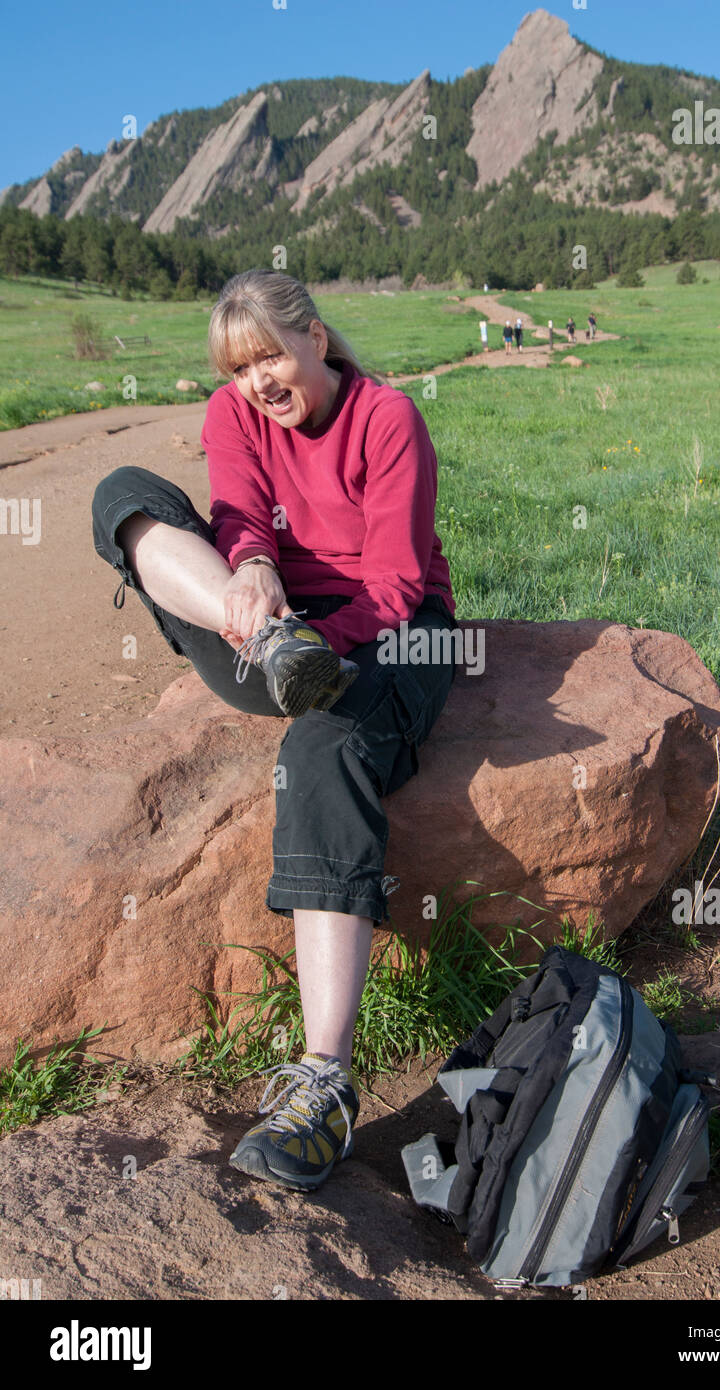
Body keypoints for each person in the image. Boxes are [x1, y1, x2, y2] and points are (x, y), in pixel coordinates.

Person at [91, 269, 458, 1193]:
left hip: (387, 632)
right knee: (124, 491)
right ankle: (271, 637)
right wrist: (251, 573)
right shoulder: (232, 414)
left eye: (269, 356)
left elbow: (395, 586)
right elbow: (243, 513)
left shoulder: (386, 418)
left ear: (317, 340)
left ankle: (325, 1082)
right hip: (262, 628)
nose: (257, 379)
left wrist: (315, 641)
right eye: (239, 365)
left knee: (321, 745)